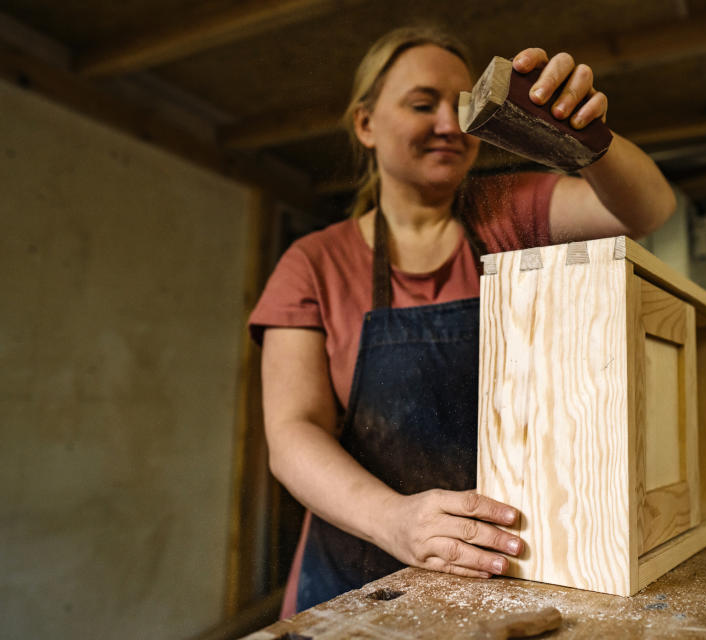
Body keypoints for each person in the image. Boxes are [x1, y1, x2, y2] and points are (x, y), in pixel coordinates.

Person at [248, 26, 676, 618]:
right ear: (366, 124)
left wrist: (586, 137)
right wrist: (395, 521)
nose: (451, 125)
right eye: (423, 105)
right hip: (354, 572)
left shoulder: (509, 213)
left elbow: (646, 210)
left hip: (503, 558)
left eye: (462, 105)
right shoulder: (313, 263)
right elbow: (293, 432)